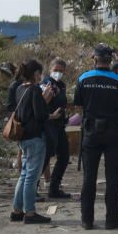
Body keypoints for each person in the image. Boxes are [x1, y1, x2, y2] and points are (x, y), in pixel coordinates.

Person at [72, 44, 118, 230]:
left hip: (91, 133)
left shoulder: (83, 78)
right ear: (110, 60)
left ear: (94, 59)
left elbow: (78, 107)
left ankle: (86, 220)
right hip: (113, 133)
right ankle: (112, 219)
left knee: (89, 177)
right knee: (112, 178)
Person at [9, 59, 56, 224]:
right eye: (40, 73)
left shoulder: (19, 89)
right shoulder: (35, 90)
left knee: (24, 175)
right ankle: (29, 213)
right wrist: (46, 101)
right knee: (31, 177)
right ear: (36, 74)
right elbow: (41, 115)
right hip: (35, 138)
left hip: (23, 137)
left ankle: (17, 210)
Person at [41, 58, 71, 199]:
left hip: (60, 125)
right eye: (56, 70)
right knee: (45, 157)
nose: (58, 73)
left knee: (64, 157)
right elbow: (40, 104)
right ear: (50, 70)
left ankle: (54, 187)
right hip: (48, 125)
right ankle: (32, 189)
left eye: (61, 71)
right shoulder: (46, 84)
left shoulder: (62, 85)